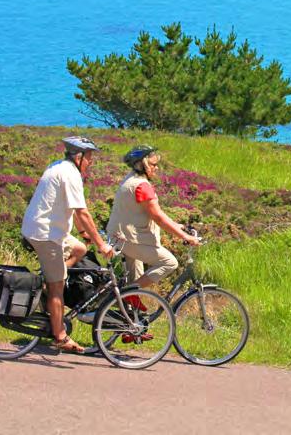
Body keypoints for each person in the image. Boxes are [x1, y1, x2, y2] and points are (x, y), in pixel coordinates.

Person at [22, 135, 113, 353]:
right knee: (58, 286)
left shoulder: (58, 166)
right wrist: (102, 245)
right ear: (78, 156)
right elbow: (82, 211)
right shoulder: (71, 174)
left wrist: (84, 234)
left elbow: (69, 207)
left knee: (80, 248)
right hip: (45, 234)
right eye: (89, 157)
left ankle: (47, 288)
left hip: (44, 229)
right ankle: (60, 336)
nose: (91, 162)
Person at [107, 145, 199, 292]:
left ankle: (127, 308)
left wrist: (176, 225)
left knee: (135, 277)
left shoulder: (130, 179)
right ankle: (122, 296)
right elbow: (158, 217)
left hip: (120, 236)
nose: (156, 168)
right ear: (142, 164)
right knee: (169, 263)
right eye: (153, 164)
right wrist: (185, 236)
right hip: (131, 239)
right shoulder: (142, 186)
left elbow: (153, 212)